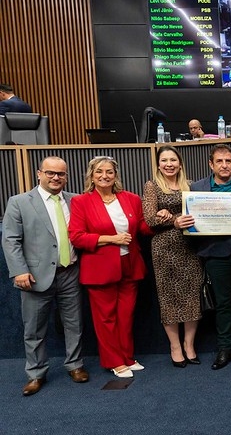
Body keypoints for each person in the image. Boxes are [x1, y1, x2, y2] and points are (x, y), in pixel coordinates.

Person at [3, 156, 88, 396]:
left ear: (66, 176)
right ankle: (36, 373)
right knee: (34, 329)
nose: (55, 178)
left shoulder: (76, 201)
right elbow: (10, 240)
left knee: (74, 324)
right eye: (50, 173)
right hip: (35, 276)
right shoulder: (19, 202)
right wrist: (19, 270)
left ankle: (75, 365)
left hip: (70, 271)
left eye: (61, 174)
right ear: (39, 173)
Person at [175, 143, 231, 370]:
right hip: (215, 253)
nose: (224, 165)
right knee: (222, 304)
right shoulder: (198, 187)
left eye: (228, 161)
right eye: (219, 161)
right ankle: (225, 348)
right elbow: (190, 217)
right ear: (211, 164)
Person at [68, 156, 152, 378]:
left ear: (116, 175)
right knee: (106, 318)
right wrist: (111, 239)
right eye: (99, 172)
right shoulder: (81, 202)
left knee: (126, 315)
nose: (104, 176)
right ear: (91, 175)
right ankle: (114, 361)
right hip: (100, 269)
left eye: (109, 172)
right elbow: (77, 237)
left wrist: (162, 219)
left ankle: (127, 357)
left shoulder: (131, 199)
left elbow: (143, 227)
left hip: (130, 265)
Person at [143, 145, 204, 367]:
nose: (169, 164)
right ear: (158, 164)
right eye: (164, 160)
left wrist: (172, 215)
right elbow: (149, 218)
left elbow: (201, 213)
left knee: (191, 297)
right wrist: (173, 220)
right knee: (169, 299)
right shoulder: (152, 186)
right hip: (164, 249)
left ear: (180, 163)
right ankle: (175, 346)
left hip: (190, 248)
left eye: (173, 160)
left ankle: (189, 345)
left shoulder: (191, 185)